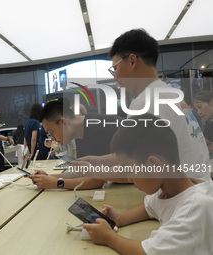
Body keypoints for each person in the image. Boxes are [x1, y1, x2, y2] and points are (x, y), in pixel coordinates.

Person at [76, 29, 210, 181]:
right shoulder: (170, 93)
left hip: (182, 196)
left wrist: (92, 171)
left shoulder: (144, 103)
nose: (116, 77)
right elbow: (136, 151)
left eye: (115, 69)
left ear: (132, 61)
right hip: (200, 188)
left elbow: (137, 169)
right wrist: (97, 161)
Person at [83, 114, 213, 255]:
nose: (130, 179)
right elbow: (149, 207)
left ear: (154, 164)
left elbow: (145, 252)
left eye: (130, 169)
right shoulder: (168, 190)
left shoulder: (195, 207)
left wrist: (109, 237)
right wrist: (119, 218)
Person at [28, 100, 122, 189]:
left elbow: (96, 181)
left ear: (63, 122)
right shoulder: (80, 132)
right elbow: (82, 173)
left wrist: (56, 183)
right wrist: (48, 177)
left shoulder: (97, 129)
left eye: (51, 132)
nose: (52, 138)